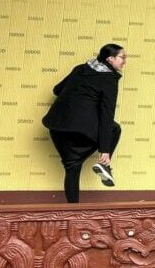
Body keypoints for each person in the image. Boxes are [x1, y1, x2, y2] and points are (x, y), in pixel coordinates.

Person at [42, 44, 127, 203]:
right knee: (114, 129)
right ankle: (104, 166)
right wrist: (105, 151)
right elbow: (106, 115)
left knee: (72, 167)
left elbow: (57, 90)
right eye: (122, 57)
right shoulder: (109, 79)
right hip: (79, 128)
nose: (125, 62)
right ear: (110, 59)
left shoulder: (80, 68)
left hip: (57, 127)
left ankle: (73, 212)